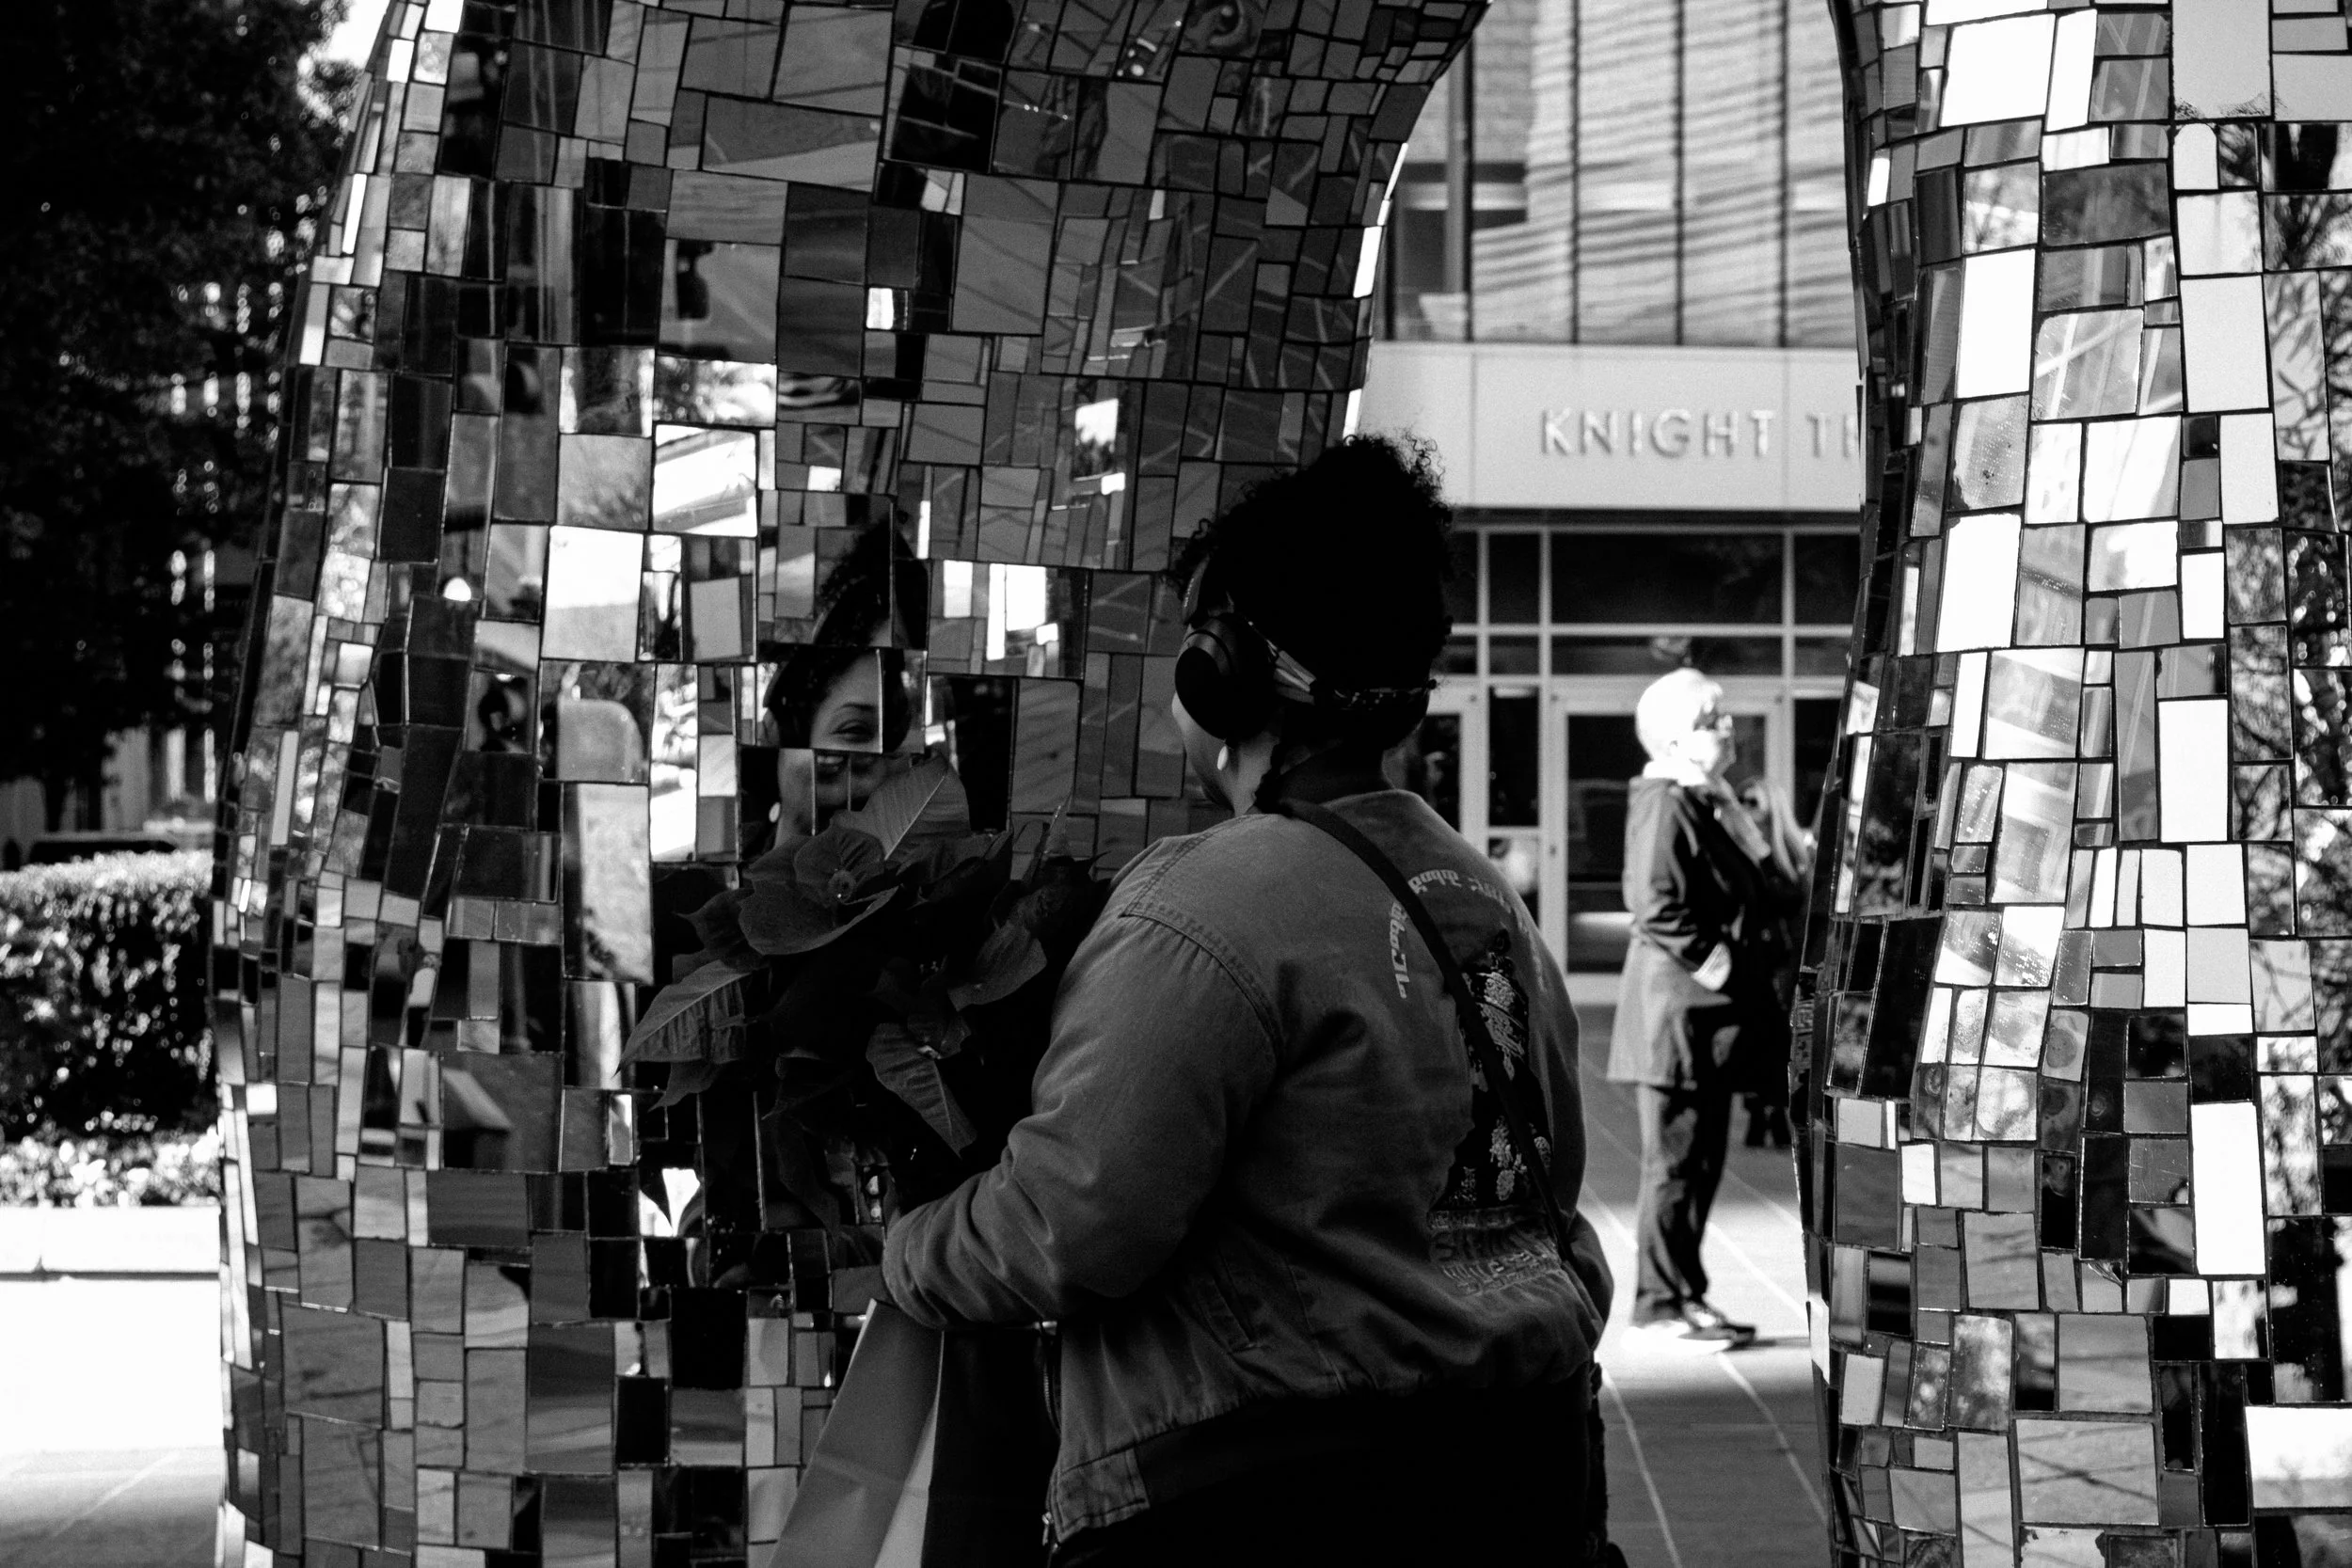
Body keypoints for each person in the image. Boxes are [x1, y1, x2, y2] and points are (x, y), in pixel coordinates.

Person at [881, 436, 1613, 1565]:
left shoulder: (1199, 908)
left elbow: (1069, 1228)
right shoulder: (1482, 896)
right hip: (1523, 1478)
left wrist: (907, 1243)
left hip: (1264, 1507)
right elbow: (1548, 1202)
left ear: (1222, 670)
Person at [1606, 669, 1792, 1350]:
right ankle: (1657, 1305)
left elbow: (1761, 885)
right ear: (1679, 738)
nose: (1729, 727)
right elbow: (1657, 906)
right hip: (1676, 1022)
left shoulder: (1704, 798)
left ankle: (1685, 1293)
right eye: (1714, 720)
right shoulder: (1664, 799)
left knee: (1702, 1162)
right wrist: (1732, 971)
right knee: (1676, 1166)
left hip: (1702, 1022)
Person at [1735, 776, 1812, 1149]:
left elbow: (1791, 901)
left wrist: (1763, 857)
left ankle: (1778, 1113)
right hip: (1749, 954)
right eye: (1741, 800)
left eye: (1752, 801)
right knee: (1754, 1034)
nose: (1745, 808)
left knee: (1779, 1035)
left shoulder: (1787, 852)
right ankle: (1756, 1112)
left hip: (1781, 956)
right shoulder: (1738, 845)